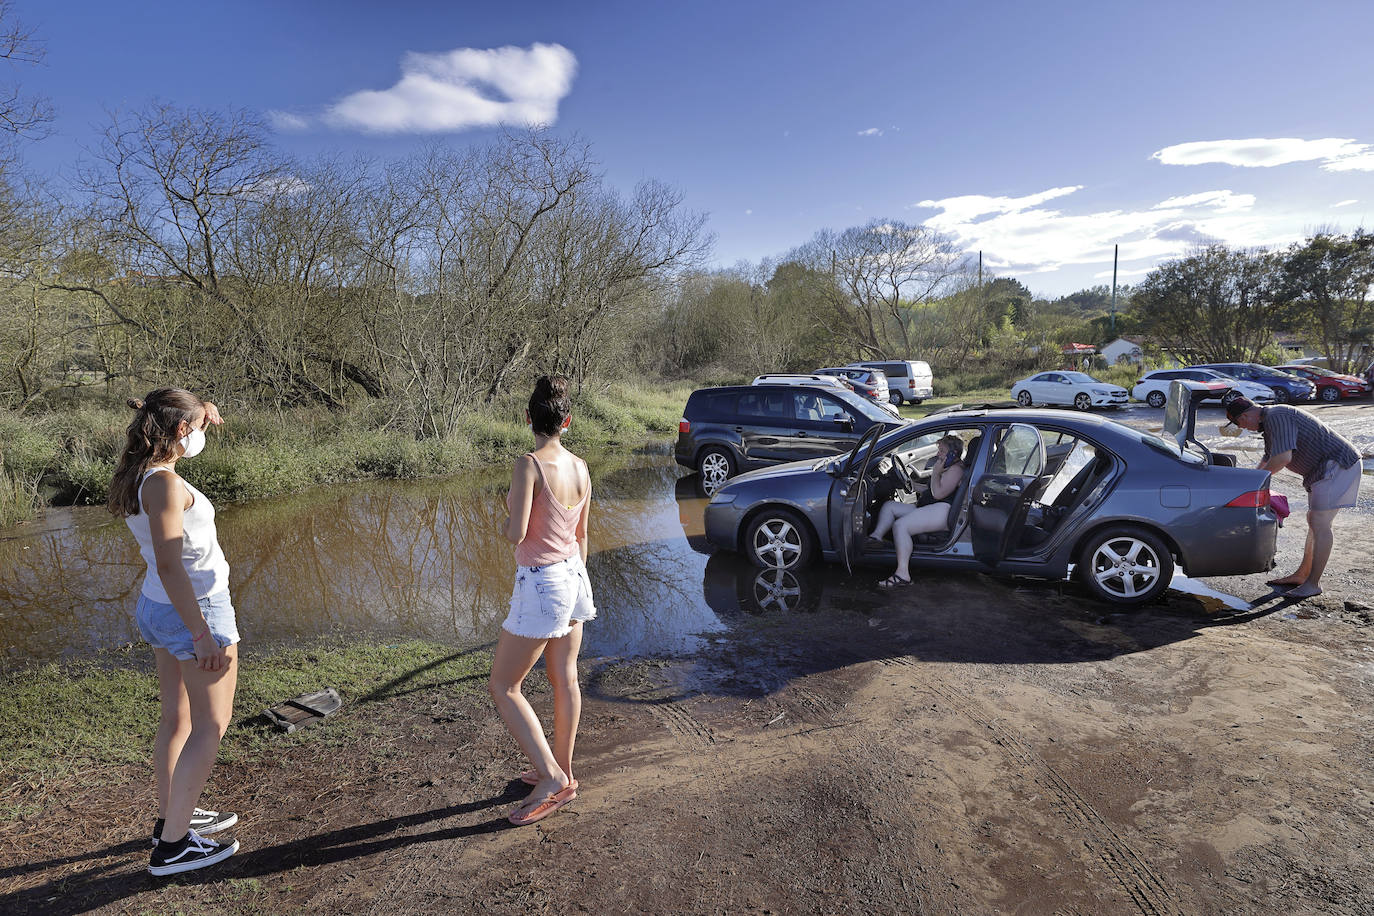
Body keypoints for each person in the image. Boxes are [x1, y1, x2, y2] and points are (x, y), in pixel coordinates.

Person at [108, 388, 240, 876]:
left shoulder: (142, 472)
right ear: (180, 431)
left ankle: (171, 815)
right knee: (210, 726)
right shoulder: (163, 484)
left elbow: (169, 409)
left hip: (159, 609)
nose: (205, 433)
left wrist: (200, 408)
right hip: (193, 609)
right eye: (199, 428)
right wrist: (201, 632)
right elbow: (170, 564)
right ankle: (174, 846)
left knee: (177, 720)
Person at [490, 376, 596, 826]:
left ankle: (551, 777)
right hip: (575, 576)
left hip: (542, 581)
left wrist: (509, 505)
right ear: (567, 421)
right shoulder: (582, 467)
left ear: (528, 418)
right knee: (564, 677)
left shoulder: (528, 465)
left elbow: (516, 535)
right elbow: (582, 535)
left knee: (504, 685)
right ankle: (563, 771)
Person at [1225, 396, 1362, 599]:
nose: (1243, 428)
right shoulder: (1271, 421)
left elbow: (1282, 458)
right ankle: (1303, 576)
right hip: (1321, 472)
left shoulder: (1276, 415)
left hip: (1337, 465)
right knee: (1314, 522)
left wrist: (1257, 483)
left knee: (1320, 523)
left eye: (1239, 424)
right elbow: (1269, 457)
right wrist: (1251, 481)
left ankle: (1313, 584)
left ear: (1244, 416)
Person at [869, 434, 965, 588]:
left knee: (900, 526)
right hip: (932, 506)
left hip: (942, 510)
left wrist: (935, 472)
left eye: (941, 451)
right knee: (890, 506)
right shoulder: (948, 467)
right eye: (938, 450)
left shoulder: (955, 470)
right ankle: (875, 538)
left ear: (953, 454)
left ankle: (902, 575)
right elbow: (932, 490)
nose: (937, 454)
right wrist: (911, 484)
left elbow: (938, 494)